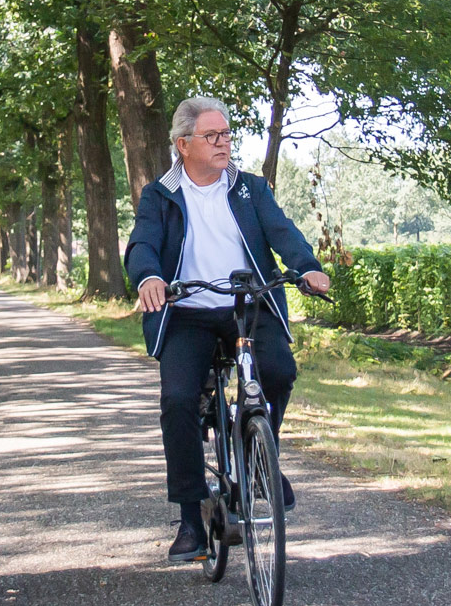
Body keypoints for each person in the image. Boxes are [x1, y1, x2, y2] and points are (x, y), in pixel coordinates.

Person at [122, 97, 332, 563]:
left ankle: (260, 459)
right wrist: (150, 277)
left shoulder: (250, 188)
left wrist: (307, 268)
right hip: (188, 313)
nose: (224, 144)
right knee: (178, 400)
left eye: (227, 135)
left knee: (278, 371)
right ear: (183, 145)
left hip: (247, 307)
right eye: (212, 137)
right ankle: (189, 519)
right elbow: (142, 245)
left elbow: (284, 234)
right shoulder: (160, 194)